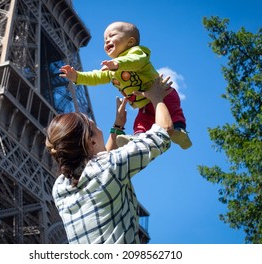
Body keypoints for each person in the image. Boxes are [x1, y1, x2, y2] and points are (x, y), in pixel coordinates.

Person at [46, 76, 174, 244]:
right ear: (91, 142)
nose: (100, 129)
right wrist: (157, 97)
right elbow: (164, 132)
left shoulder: (60, 187)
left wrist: (118, 126)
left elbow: (100, 169)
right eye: (94, 126)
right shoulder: (110, 166)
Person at [59, 21, 192, 149]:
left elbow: (135, 61)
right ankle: (138, 137)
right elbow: (95, 77)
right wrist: (77, 76)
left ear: (130, 42)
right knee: (141, 122)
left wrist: (118, 64)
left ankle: (180, 130)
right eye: (105, 39)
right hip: (145, 103)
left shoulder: (137, 52)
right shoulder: (111, 69)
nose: (107, 40)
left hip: (163, 93)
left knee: (173, 110)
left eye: (112, 36)